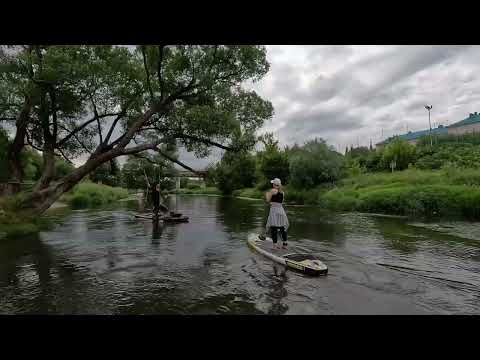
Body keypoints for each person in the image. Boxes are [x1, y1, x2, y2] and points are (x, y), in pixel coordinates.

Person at [265, 178, 289, 249]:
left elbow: (268, 200)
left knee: (274, 228)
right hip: (281, 210)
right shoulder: (282, 192)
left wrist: (267, 194)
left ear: (274, 184)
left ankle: (275, 246)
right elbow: (281, 201)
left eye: (273, 183)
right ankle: (284, 244)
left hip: (274, 210)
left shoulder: (272, 190)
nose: (272, 184)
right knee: (282, 227)